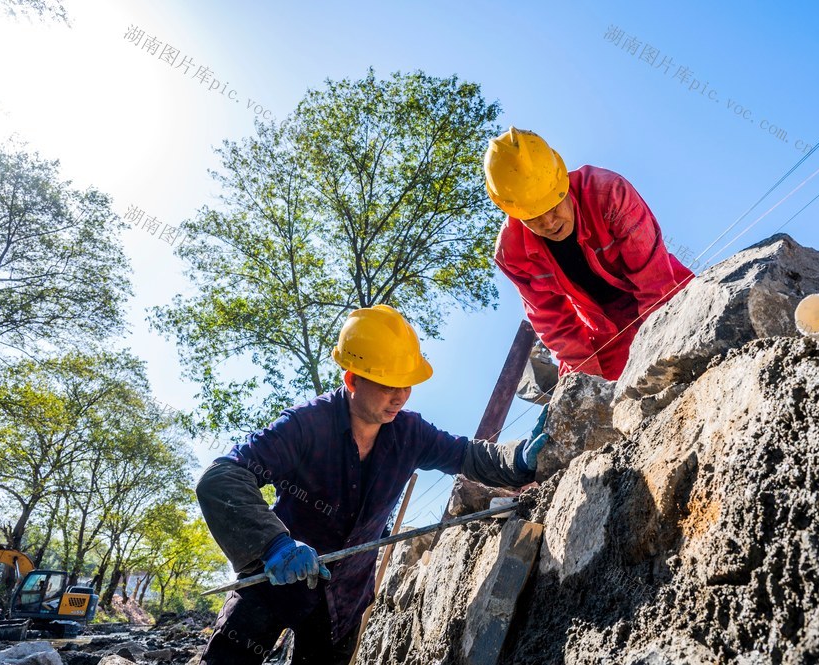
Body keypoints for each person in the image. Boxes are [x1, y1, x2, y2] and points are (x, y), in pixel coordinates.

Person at [195, 305, 548, 665]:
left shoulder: (410, 433)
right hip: (273, 581)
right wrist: (273, 543)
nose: (401, 396)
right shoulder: (306, 425)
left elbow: (468, 455)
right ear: (352, 380)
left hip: (343, 599)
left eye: (406, 385)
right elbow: (223, 476)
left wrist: (518, 460)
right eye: (388, 386)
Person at [487, 127, 695, 380]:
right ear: (514, 212)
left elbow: (655, 280)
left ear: (563, 181)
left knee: (689, 350)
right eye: (533, 217)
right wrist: (584, 382)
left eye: (553, 205)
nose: (549, 223)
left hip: (665, 295)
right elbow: (554, 323)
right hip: (602, 332)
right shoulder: (511, 252)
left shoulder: (609, 193)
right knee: (595, 394)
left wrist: (668, 340)